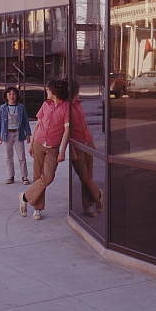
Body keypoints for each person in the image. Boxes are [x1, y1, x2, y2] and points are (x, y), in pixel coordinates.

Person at [19, 77, 69, 220]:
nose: (46, 92)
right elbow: (38, 124)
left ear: (55, 91)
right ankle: (38, 209)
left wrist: (62, 151)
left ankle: (24, 197)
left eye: (48, 90)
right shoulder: (45, 105)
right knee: (37, 176)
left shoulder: (66, 107)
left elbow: (67, 131)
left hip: (53, 147)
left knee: (48, 177)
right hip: (38, 143)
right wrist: (31, 144)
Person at [69, 80, 103, 217]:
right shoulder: (66, 108)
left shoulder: (78, 105)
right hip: (76, 144)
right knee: (84, 176)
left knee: (89, 175)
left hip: (88, 141)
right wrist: (72, 150)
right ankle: (97, 196)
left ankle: (88, 206)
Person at [0, 86, 31, 184]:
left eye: (14, 94)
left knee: (21, 156)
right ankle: (10, 176)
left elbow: (25, 121)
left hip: (18, 134)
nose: (12, 96)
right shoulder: (2, 108)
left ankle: (24, 176)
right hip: (7, 134)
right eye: (9, 94)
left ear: (17, 96)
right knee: (8, 156)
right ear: (6, 96)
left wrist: (28, 134)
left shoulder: (21, 108)